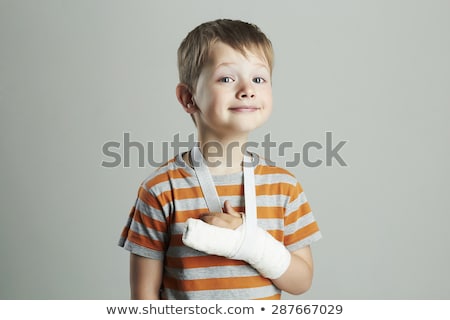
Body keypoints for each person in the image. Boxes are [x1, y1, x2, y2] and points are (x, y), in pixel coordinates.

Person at [118, 19, 322, 300]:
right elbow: (144, 298)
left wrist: (251, 243)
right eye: (227, 79)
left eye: (259, 79)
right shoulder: (160, 190)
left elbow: (301, 282)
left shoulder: (284, 187)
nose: (247, 89)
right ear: (188, 98)